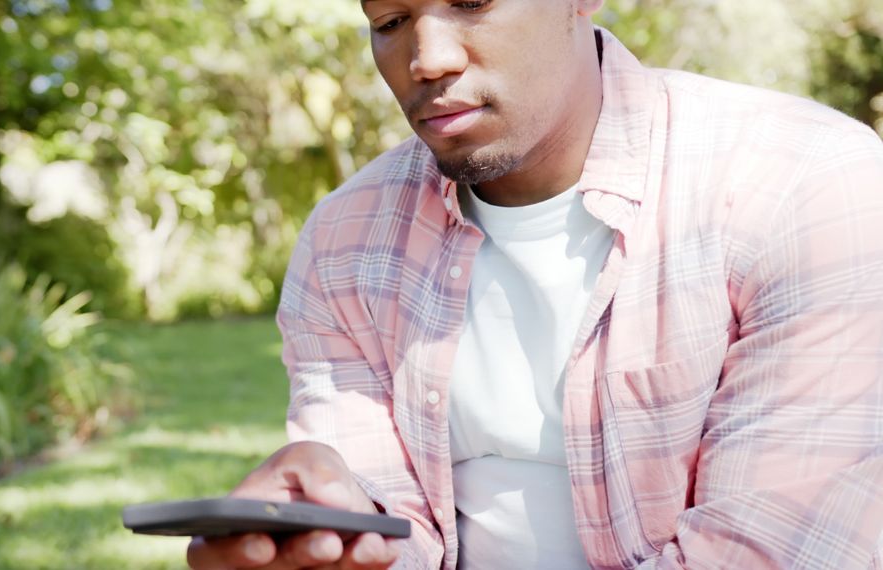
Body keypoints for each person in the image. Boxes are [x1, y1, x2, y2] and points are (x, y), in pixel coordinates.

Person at [188, 0, 883, 568]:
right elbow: (392, 529)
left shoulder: (805, 185)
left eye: (470, 2)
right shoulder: (346, 237)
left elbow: (766, 552)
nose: (426, 58)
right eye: (390, 22)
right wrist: (339, 532)